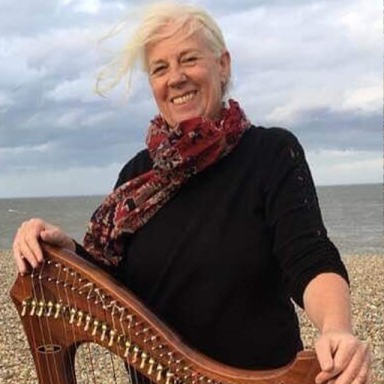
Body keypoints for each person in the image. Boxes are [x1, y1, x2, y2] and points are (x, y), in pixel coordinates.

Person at [12, 2, 371, 383]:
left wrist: (336, 329)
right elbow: (108, 289)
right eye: (160, 68)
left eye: (189, 59)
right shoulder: (137, 177)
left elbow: (309, 257)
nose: (176, 78)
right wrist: (60, 249)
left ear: (223, 65)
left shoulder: (270, 154)